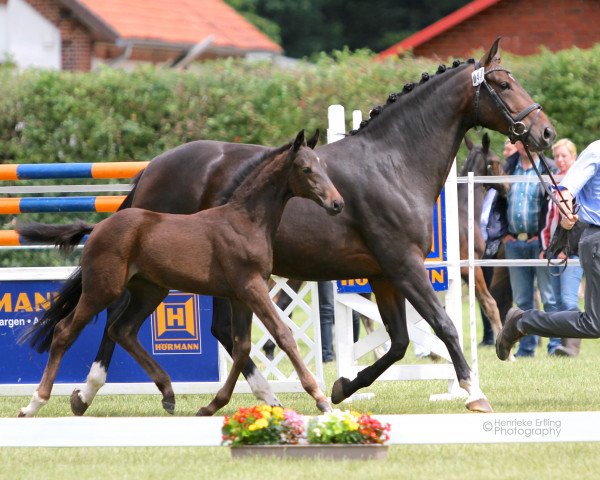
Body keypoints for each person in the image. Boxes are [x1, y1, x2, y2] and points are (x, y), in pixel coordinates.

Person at [497, 139, 600, 361]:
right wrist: (565, 208)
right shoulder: (596, 152)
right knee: (594, 323)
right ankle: (522, 322)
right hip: (596, 237)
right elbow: (565, 189)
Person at [495, 140, 559, 357]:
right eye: (520, 141)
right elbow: (499, 202)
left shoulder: (548, 167)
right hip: (514, 243)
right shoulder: (508, 167)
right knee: (522, 300)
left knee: (549, 298)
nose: (524, 144)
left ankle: (555, 347)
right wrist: (504, 233)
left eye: (528, 140)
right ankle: (527, 348)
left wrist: (543, 239)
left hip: (539, 243)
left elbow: (553, 206)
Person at [540, 139, 584, 357]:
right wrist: (547, 248)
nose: (559, 160)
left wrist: (566, 249)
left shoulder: (579, 183)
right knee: (557, 301)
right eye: (556, 156)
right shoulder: (554, 183)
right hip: (555, 251)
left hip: (573, 251)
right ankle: (560, 346)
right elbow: (548, 220)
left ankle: (571, 347)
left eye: (564, 156)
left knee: (568, 300)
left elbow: (581, 221)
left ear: (574, 158)